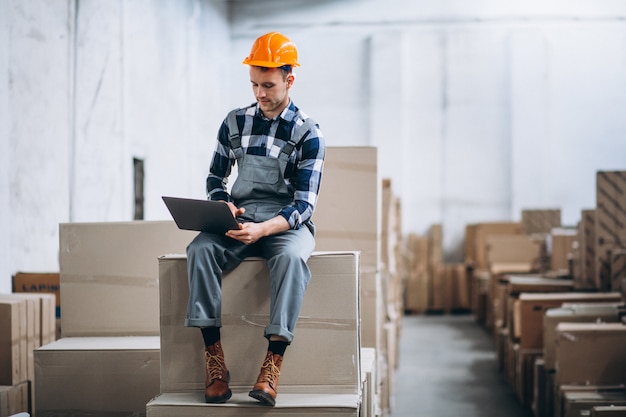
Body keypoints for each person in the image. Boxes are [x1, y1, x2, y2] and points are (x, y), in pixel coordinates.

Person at [184, 32, 325, 407]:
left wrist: (265, 228)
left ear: (289, 80)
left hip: (285, 224)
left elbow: (304, 204)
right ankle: (215, 361)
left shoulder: (308, 132)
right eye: (254, 84)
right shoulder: (234, 122)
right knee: (198, 249)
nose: (260, 93)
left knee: (293, 259)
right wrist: (223, 204)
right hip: (240, 218)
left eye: (268, 85)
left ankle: (272, 363)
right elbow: (216, 178)